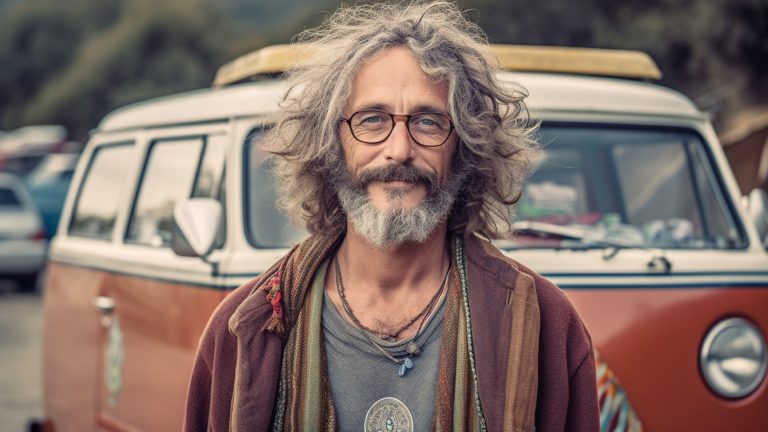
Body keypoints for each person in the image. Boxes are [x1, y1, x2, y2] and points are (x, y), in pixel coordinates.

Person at [184, 1, 599, 431]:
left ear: (466, 148)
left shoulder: (544, 323)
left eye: (428, 122)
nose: (399, 149)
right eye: (372, 119)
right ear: (331, 144)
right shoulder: (244, 328)